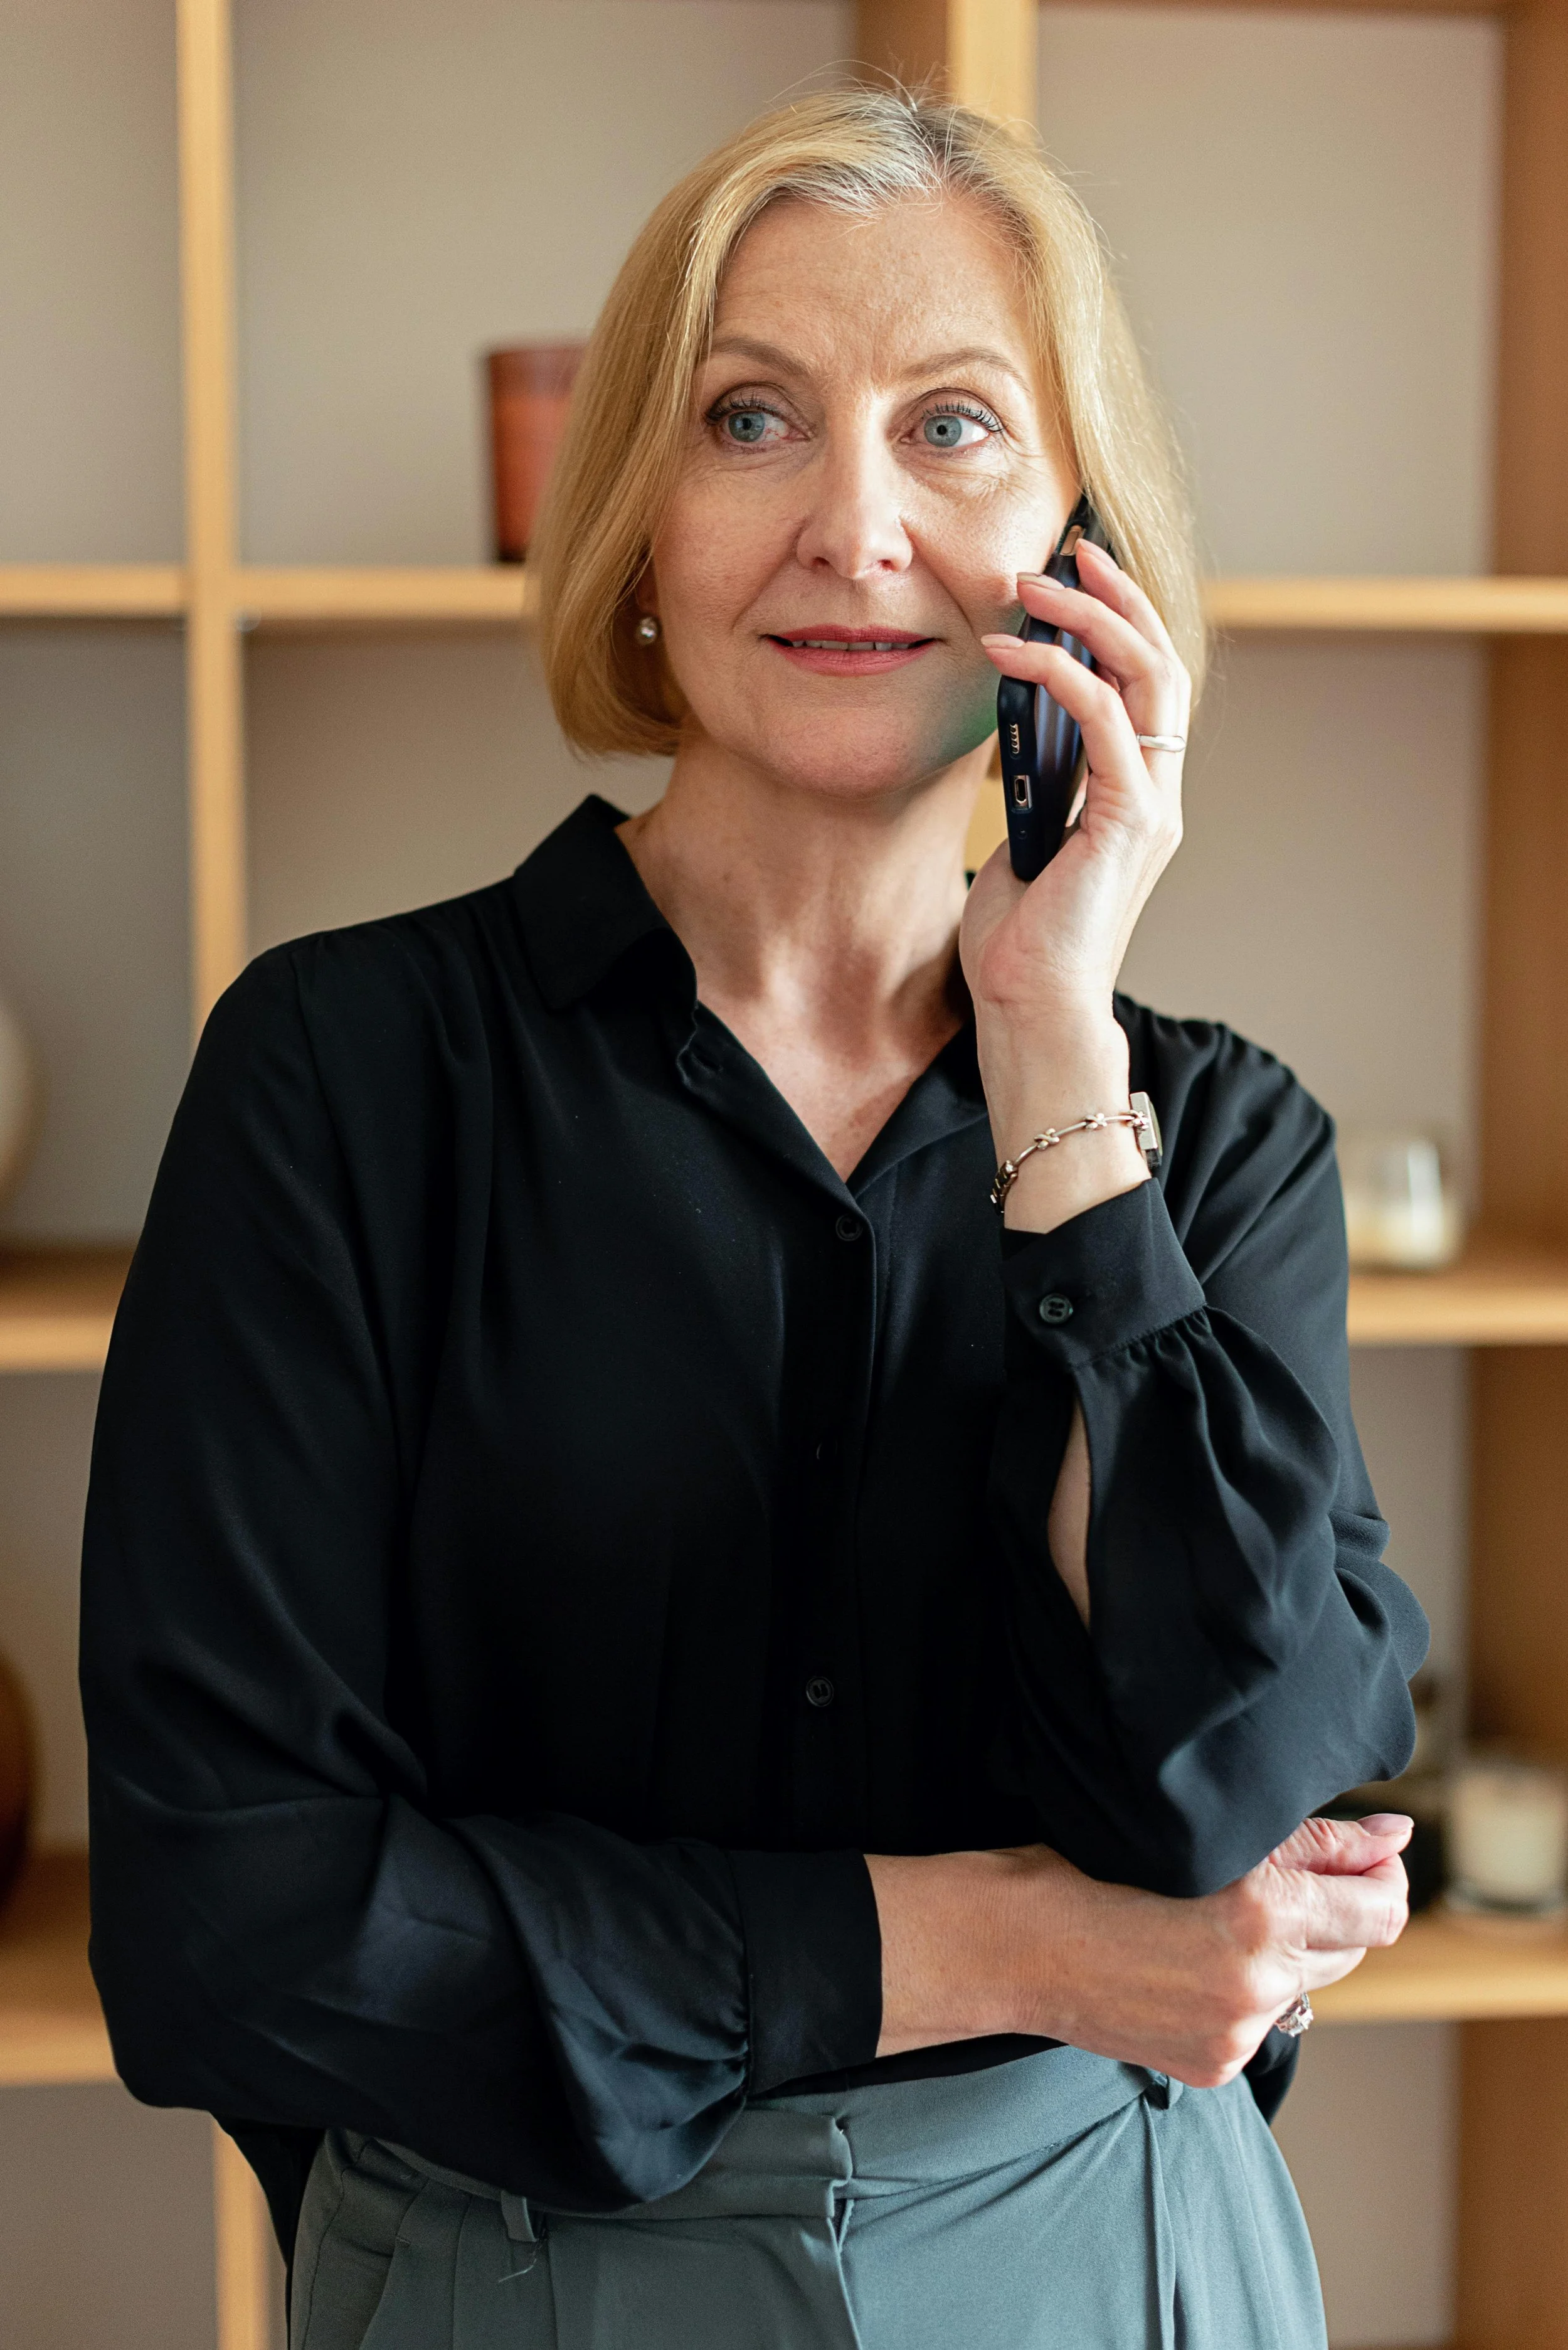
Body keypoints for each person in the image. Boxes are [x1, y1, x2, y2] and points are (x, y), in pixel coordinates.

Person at [81, 87, 1427, 2350]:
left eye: (956, 429)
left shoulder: (1211, 1138)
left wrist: (1048, 1050)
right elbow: (232, 1923)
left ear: (1078, 549)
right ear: (630, 516)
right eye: (750, 420)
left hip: (1112, 2256)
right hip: (515, 2272)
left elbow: (1232, 1779)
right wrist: (1003, 1943)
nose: (854, 525)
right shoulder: (341, 1078)